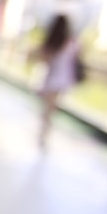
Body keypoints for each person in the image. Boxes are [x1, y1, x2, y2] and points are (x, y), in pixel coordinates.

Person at [37, 14, 79, 148]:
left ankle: (44, 132)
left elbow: (44, 59)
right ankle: (45, 132)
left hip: (52, 78)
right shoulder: (72, 42)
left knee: (48, 108)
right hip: (64, 79)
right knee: (52, 107)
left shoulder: (53, 42)